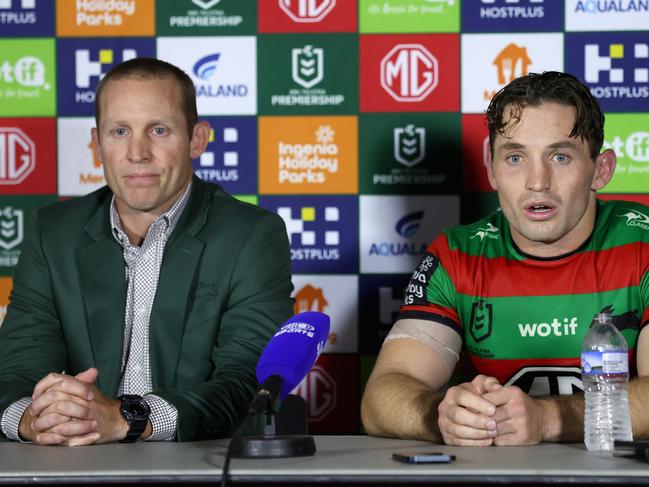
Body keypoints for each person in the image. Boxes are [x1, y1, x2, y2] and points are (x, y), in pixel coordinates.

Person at [0, 58, 293, 445]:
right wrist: (33, 419)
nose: (137, 152)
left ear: (197, 139)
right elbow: (15, 374)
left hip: (196, 464)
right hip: (72, 460)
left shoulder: (252, 235)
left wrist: (127, 419)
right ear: (97, 142)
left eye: (159, 129)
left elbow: (248, 385)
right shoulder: (53, 233)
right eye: (119, 131)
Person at [361, 71, 649, 446]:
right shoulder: (457, 255)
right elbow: (382, 395)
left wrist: (548, 418)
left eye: (560, 156)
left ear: (602, 169)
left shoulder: (642, 243)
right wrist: (441, 417)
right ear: (491, 167)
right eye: (515, 157)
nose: (537, 182)